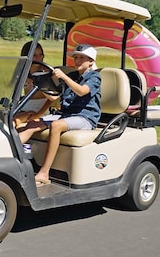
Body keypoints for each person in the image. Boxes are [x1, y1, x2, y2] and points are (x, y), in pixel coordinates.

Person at [18, 43, 101, 187]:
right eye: (76, 57)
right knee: (32, 124)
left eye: (82, 58)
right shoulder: (73, 75)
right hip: (66, 115)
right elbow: (55, 95)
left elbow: (81, 91)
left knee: (56, 126)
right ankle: (10, 160)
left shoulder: (94, 77)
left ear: (91, 61)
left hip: (85, 117)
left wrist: (64, 77)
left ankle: (44, 173)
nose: (78, 61)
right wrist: (41, 79)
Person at [13, 41, 54, 127]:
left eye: (40, 55)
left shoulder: (46, 74)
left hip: (39, 110)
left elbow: (51, 99)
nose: (38, 58)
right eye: (34, 55)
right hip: (23, 107)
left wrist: (38, 115)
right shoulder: (22, 73)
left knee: (14, 121)